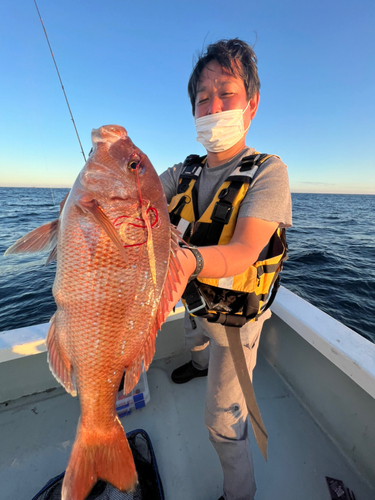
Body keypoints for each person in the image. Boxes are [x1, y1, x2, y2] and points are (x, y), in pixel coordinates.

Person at [160, 38, 292, 500]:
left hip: (237, 322)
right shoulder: (182, 172)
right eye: (202, 99)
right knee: (194, 334)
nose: (213, 105)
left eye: (226, 94)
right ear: (193, 113)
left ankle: (239, 493)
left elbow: (244, 250)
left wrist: (190, 259)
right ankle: (198, 363)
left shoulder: (269, 172)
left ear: (251, 105)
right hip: (195, 300)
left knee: (222, 420)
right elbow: (140, 201)